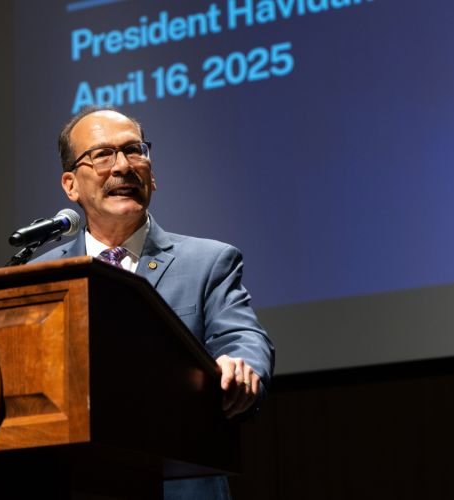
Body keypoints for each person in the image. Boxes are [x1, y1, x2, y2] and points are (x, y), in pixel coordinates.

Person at [31, 106, 275, 499]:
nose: (123, 167)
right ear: (71, 185)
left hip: (177, 485)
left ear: (152, 174)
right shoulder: (42, 274)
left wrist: (241, 365)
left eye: (134, 151)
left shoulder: (208, 262)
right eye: (102, 155)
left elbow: (243, 338)